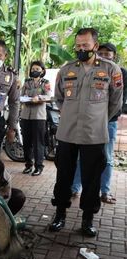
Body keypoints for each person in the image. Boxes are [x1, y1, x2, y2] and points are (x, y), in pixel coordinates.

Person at [49, 28, 123, 237]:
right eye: (78, 46)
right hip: (67, 133)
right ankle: (60, 214)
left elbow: (116, 101)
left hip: (94, 134)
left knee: (92, 179)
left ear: (95, 46)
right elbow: (59, 98)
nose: (81, 49)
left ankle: (87, 219)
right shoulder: (67, 70)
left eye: (86, 46)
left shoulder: (111, 69)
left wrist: (99, 119)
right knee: (64, 175)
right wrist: (69, 115)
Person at [71, 42, 127, 204]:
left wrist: (106, 116)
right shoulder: (89, 69)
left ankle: (105, 191)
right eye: (100, 53)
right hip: (88, 122)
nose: (103, 56)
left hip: (109, 122)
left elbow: (119, 99)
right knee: (82, 156)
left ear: (114, 56)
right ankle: (75, 188)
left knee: (107, 157)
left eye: (107, 54)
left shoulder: (120, 72)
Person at [20, 60, 52, 176]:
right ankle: (28, 165)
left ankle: (39, 166)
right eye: (33, 69)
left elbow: (49, 97)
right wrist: (25, 98)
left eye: (37, 70)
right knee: (26, 142)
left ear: (42, 71)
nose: (35, 71)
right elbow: (21, 95)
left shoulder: (45, 83)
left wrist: (38, 97)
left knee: (38, 142)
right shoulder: (27, 82)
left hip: (39, 117)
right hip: (25, 116)